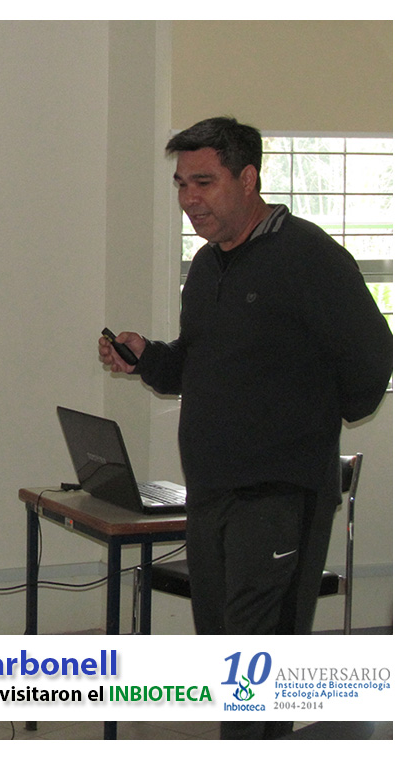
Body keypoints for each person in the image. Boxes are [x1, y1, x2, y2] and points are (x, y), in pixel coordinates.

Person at [99, 117, 391, 737]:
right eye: (181, 184)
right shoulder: (208, 266)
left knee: (259, 670)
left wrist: (308, 419)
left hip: (280, 495)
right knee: (224, 659)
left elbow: (371, 358)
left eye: (204, 182)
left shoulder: (308, 256)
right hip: (212, 494)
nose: (189, 198)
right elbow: (195, 362)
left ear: (248, 177)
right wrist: (145, 356)